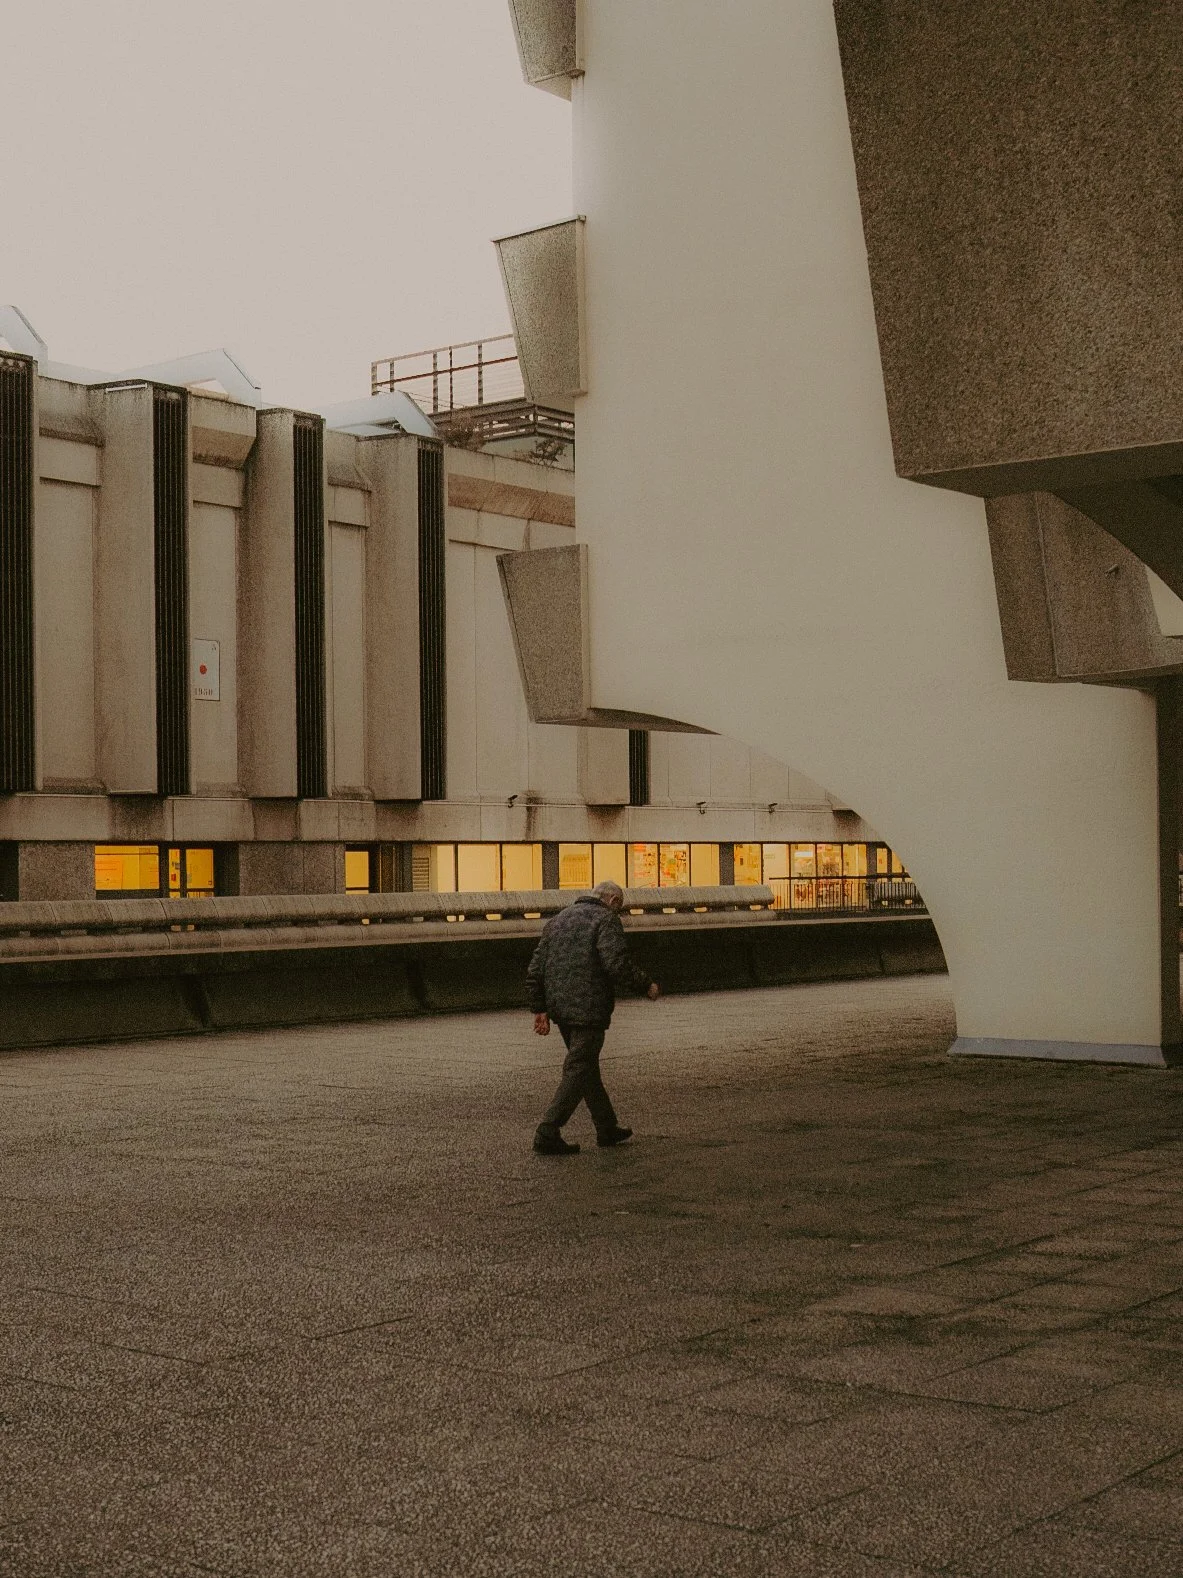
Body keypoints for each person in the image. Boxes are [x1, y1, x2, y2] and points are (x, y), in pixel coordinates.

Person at [526, 879, 660, 1156]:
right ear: (612, 901)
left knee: (586, 1066)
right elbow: (615, 963)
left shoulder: (558, 920)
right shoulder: (606, 919)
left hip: (560, 1007)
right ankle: (548, 1130)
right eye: (619, 907)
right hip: (589, 1006)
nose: (618, 912)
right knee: (579, 1068)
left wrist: (540, 1007)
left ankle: (606, 1126)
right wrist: (645, 984)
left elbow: (536, 968)